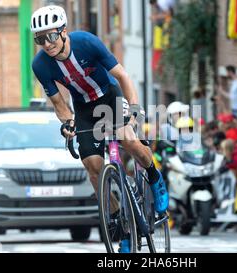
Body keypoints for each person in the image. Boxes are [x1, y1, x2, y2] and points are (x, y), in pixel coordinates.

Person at [30, 5, 168, 252]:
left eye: (50, 36)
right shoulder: (40, 64)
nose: (47, 44)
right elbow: (59, 104)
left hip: (110, 95)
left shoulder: (86, 42)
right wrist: (68, 123)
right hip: (84, 108)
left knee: (128, 140)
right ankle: (120, 225)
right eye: (40, 39)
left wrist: (134, 109)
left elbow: (123, 77)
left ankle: (154, 176)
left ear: (63, 32)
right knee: (93, 166)